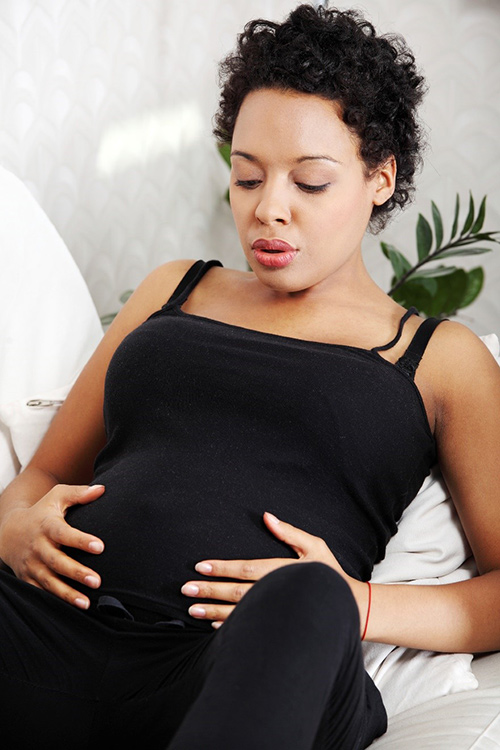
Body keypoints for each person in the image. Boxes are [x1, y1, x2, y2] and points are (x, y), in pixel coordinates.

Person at [0, 4, 499, 749]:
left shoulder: (440, 356)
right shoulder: (174, 288)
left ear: (380, 179)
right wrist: (12, 527)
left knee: (305, 602)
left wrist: (355, 602)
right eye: (247, 176)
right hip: (49, 633)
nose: (270, 209)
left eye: (311, 182)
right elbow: (38, 477)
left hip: (235, 663)